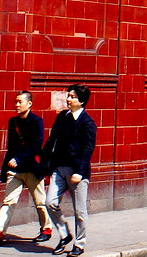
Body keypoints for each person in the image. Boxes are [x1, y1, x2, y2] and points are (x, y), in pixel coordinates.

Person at [0, 91, 52, 245]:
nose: (17, 105)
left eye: (20, 102)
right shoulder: (13, 122)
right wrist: (5, 168)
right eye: (16, 102)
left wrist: (19, 158)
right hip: (15, 170)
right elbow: (11, 147)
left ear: (29, 104)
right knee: (9, 201)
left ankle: (46, 230)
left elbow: (36, 145)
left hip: (32, 168)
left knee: (40, 202)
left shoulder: (37, 121)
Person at [44, 84, 97, 256]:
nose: (68, 99)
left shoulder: (88, 123)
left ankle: (79, 244)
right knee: (50, 202)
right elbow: (53, 141)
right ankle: (64, 234)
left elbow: (88, 149)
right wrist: (46, 165)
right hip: (59, 168)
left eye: (72, 97)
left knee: (79, 211)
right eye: (68, 96)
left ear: (81, 101)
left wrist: (80, 172)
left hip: (77, 172)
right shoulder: (62, 117)